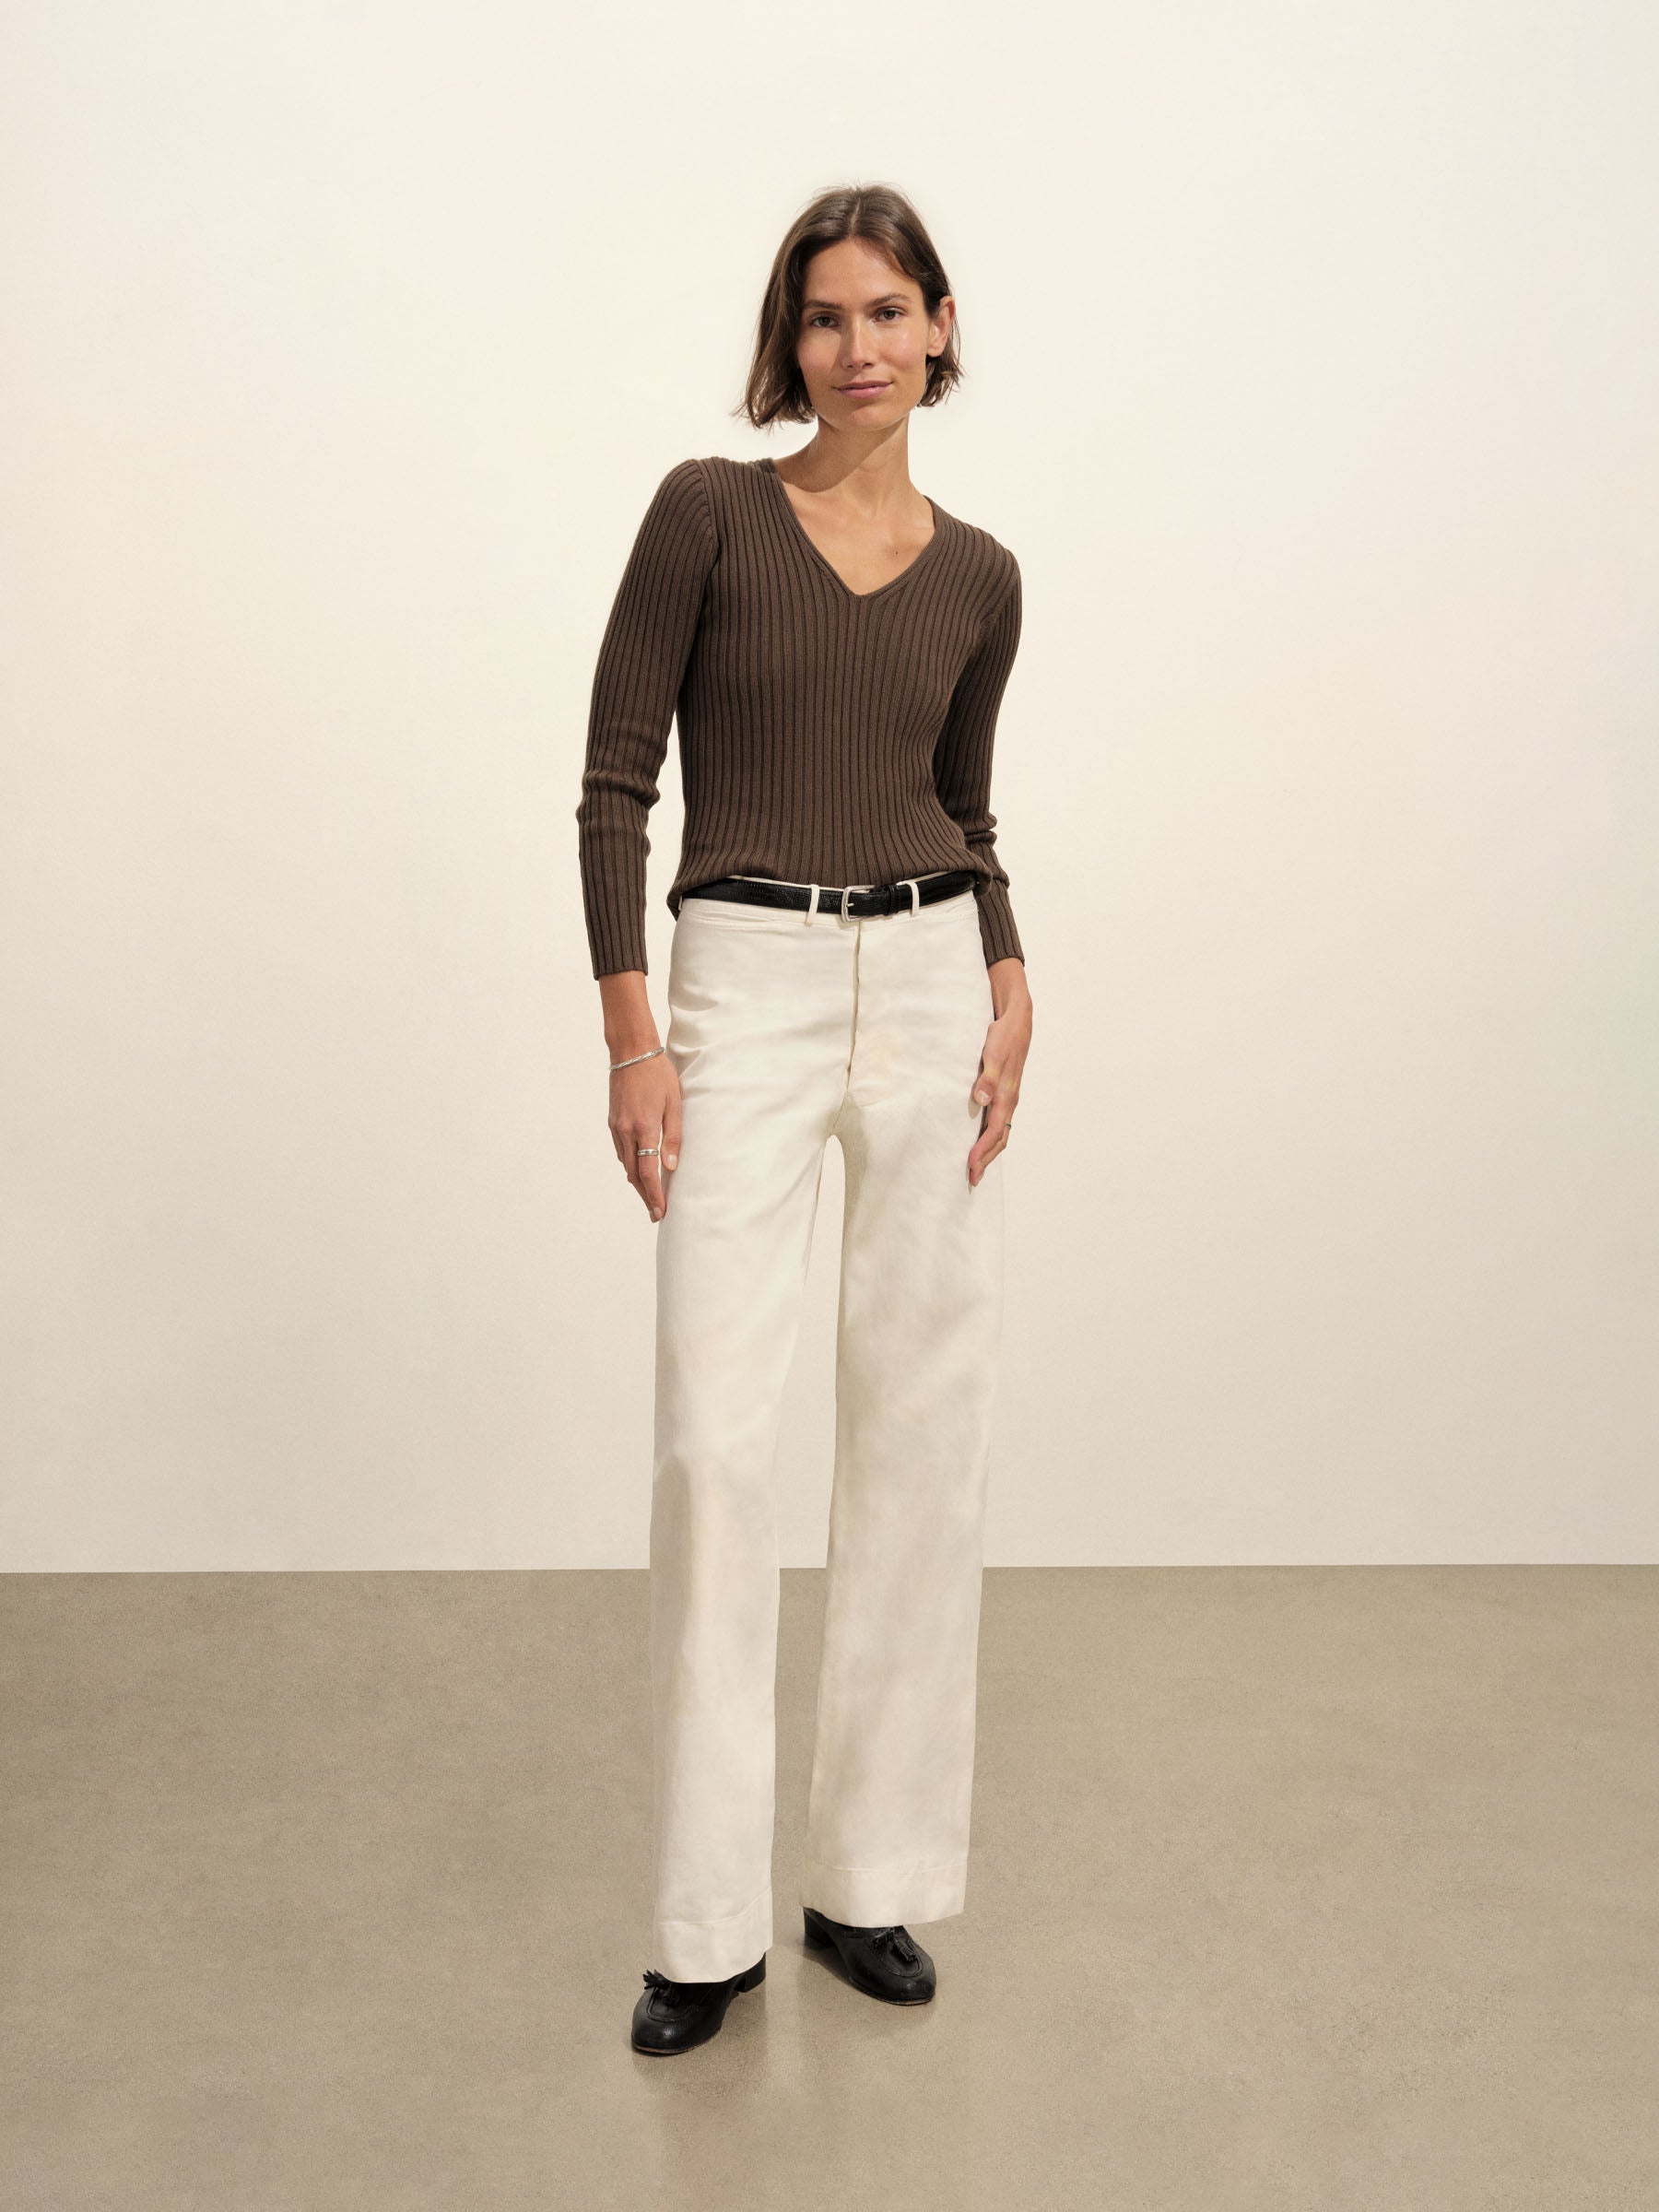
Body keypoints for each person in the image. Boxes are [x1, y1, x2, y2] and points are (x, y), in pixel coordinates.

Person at [574, 182, 1032, 2056]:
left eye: (888, 312)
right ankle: (703, 1929)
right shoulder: (709, 512)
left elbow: (965, 812)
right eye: (826, 315)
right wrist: (633, 1034)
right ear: (793, 339)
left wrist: (1011, 972)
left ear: (939, 328)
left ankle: (871, 1878)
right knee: (714, 1444)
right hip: (744, 985)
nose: (859, 346)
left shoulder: (983, 575)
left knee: (920, 1435)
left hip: (932, 987)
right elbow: (616, 783)